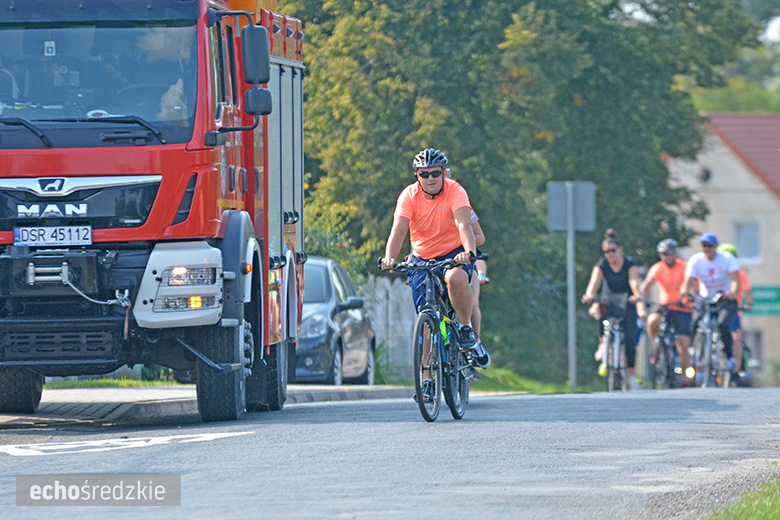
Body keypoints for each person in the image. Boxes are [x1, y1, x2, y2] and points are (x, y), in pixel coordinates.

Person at [380, 148, 490, 371]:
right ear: (417, 176)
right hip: (422, 257)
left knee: (456, 277)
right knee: (425, 317)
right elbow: (399, 230)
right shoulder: (408, 196)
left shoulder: (455, 191)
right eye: (424, 174)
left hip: (453, 252)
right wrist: (390, 258)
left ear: (444, 173)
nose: (430, 178)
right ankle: (427, 376)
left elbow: (463, 224)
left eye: (435, 173)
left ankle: (466, 327)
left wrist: (468, 252)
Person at [582, 229, 645, 390]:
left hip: (627, 301)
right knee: (598, 309)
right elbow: (594, 283)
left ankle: (630, 374)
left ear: (620, 250)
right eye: (606, 252)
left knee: (630, 339)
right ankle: (603, 343)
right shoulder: (602, 265)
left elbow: (633, 282)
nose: (610, 255)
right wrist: (589, 295)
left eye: (613, 251)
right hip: (608, 300)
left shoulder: (630, 264)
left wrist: (637, 295)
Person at [681, 233, 741, 373]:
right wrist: (687, 294)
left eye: (709, 246)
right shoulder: (696, 260)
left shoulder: (726, 259)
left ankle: (729, 357)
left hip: (724, 299)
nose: (706, 248)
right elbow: (688, 281)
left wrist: (732, 293)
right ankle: (693, 351)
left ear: (716, 246)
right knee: (694, 322)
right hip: (705, 298)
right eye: (704, 245)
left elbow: (736, 280)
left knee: (723, 325)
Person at [639, 239, 693, 385]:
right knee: (652, 321)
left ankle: (684, 378)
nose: (667, 256)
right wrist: (639, 296)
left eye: (670, 253)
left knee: (683, 342)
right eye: (663, 254)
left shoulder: (684, 266)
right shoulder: (658, 268)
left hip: (682, 307)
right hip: (665, 306)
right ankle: (658, 346)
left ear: (676, 253)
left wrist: (687, 296)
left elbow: (692, 283)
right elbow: (646, 285)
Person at [717, 243, 753, 372]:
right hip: (715, 307)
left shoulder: (740, 274)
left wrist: (748, 303)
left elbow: (747, 290)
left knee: (736, 337)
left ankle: (736, 369)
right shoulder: (716, 271)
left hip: (731, 310)